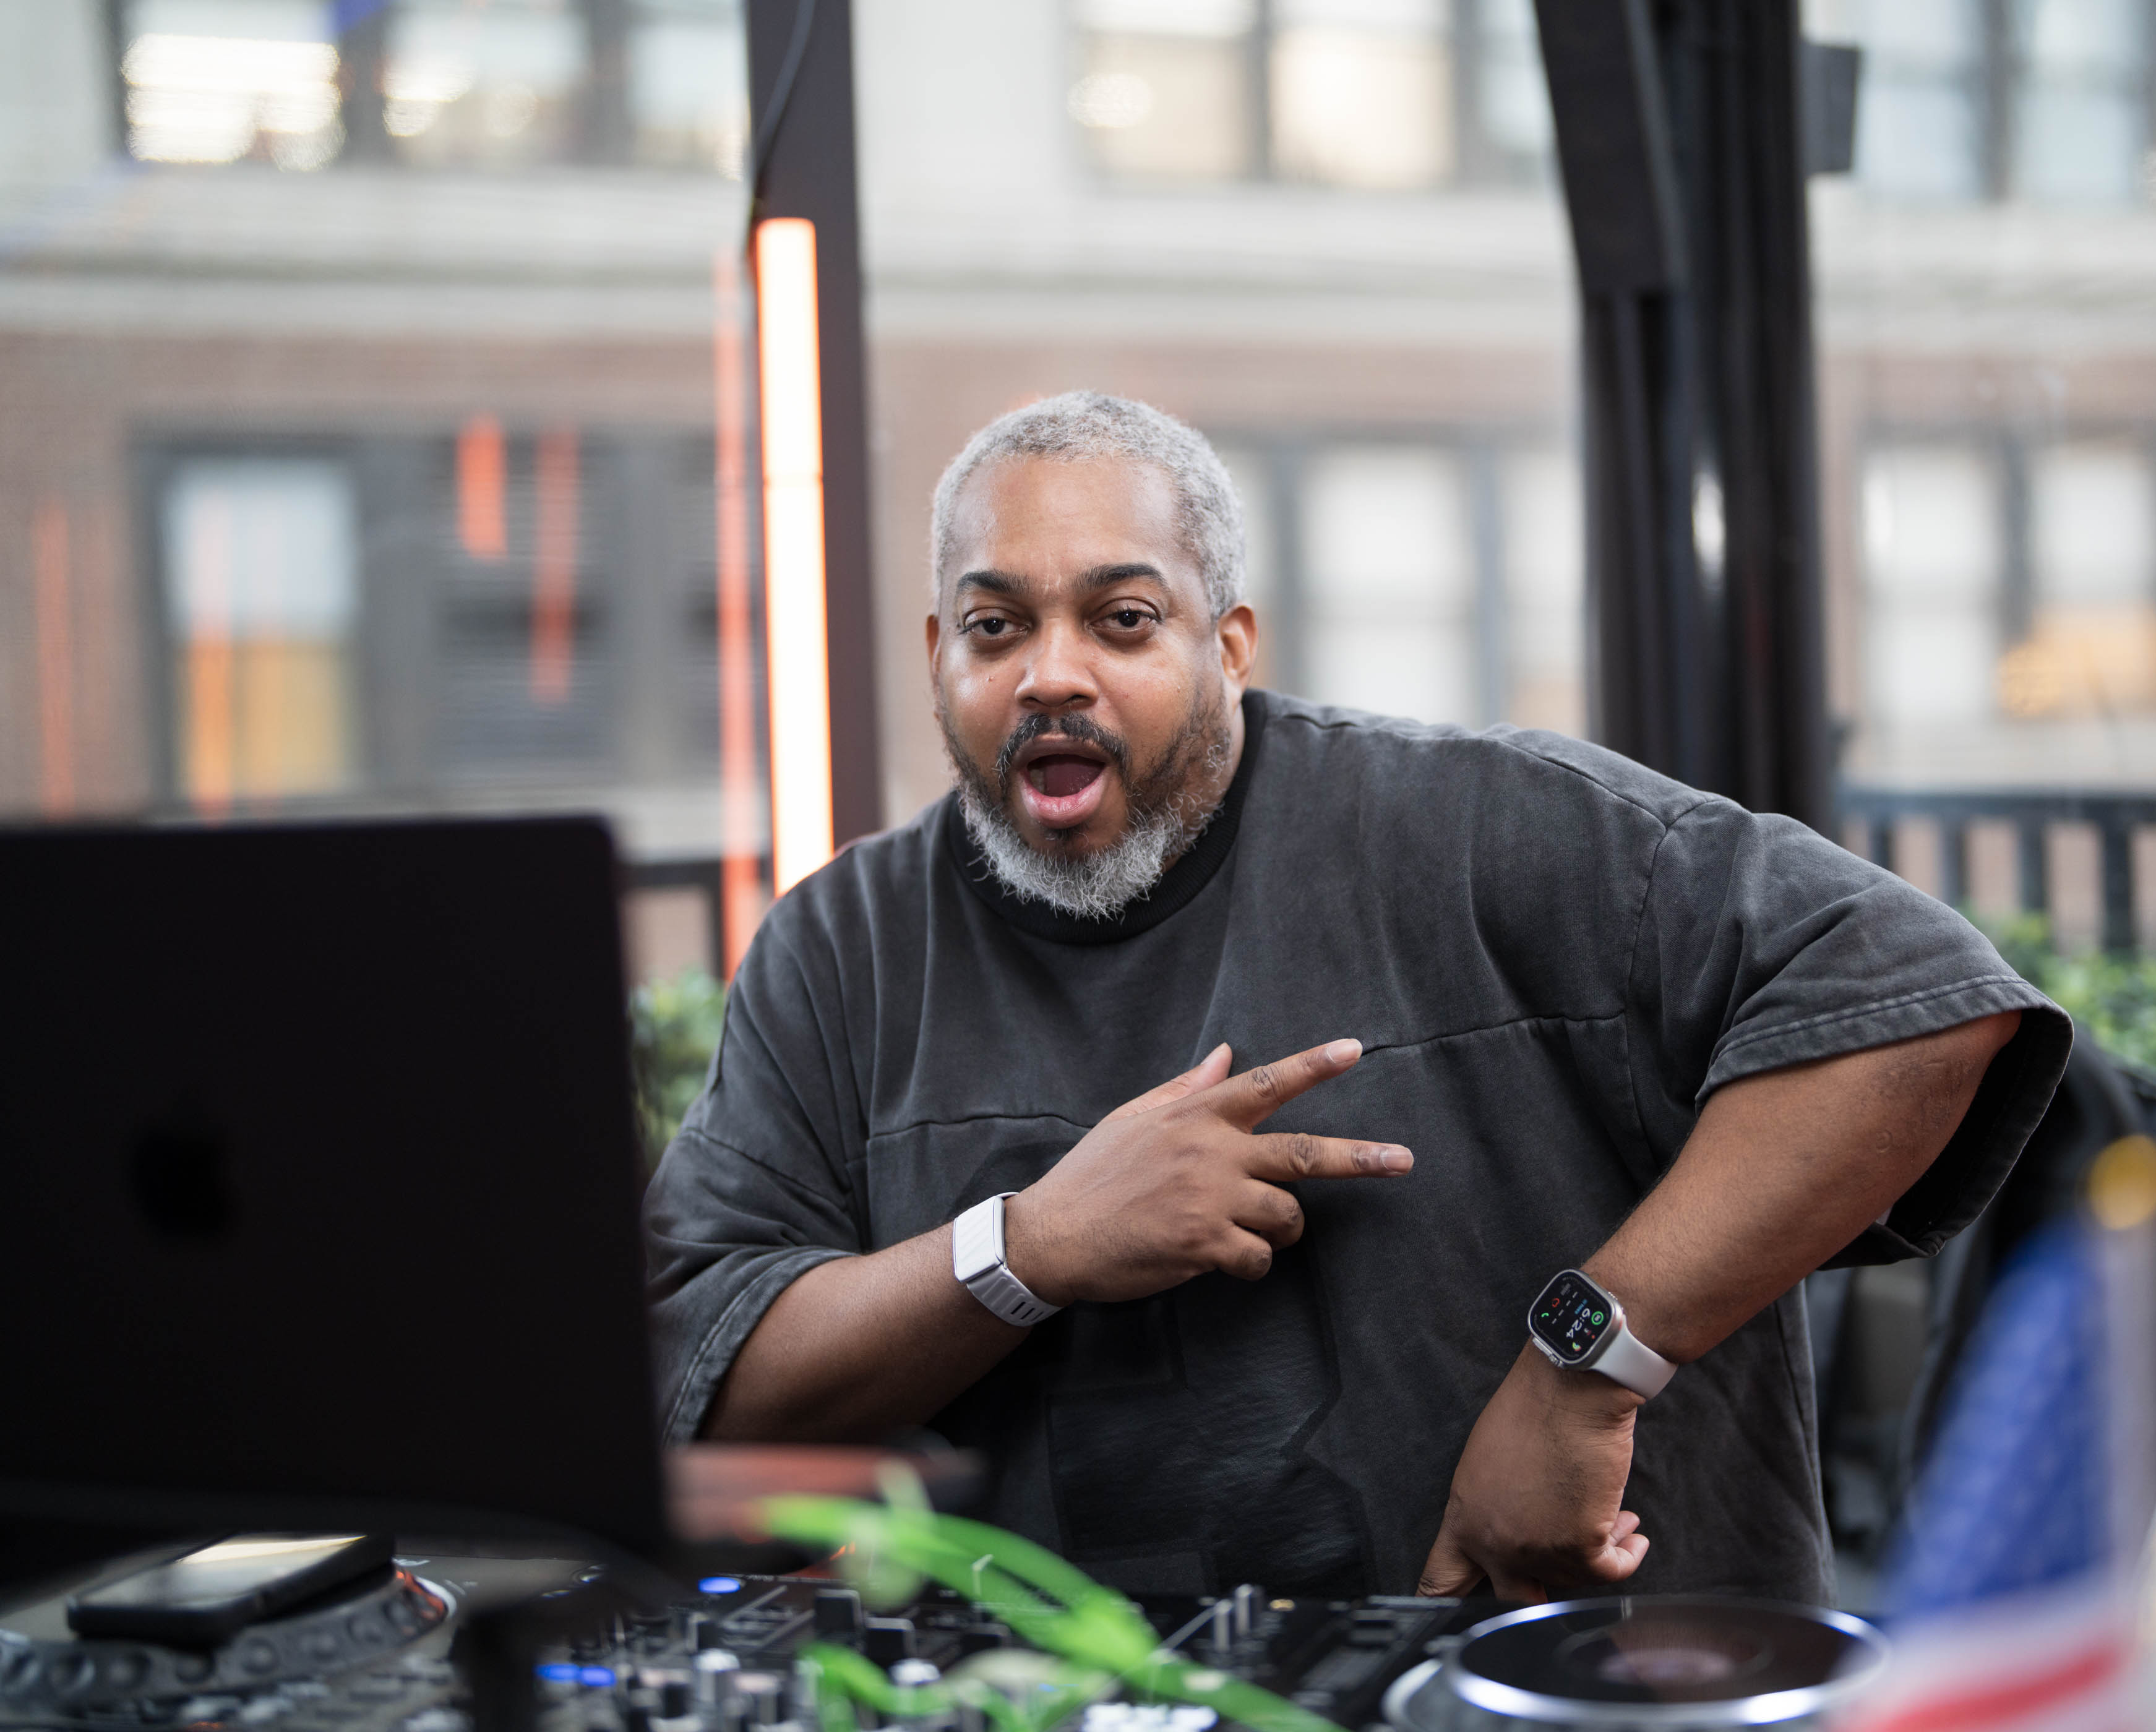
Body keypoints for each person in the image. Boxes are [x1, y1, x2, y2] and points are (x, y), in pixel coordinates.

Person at [643, 391, 2070, 1605]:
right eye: (995, 625)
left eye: (1123, 619)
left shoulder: (1484, 828)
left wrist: (1580, 1366)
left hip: (1557, 1680)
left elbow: (1918, 1011)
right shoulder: (839, 949)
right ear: (938, 657)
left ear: (1229, 644)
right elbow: (705, 1376)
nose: (1051, 673)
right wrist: (1029, 1244)